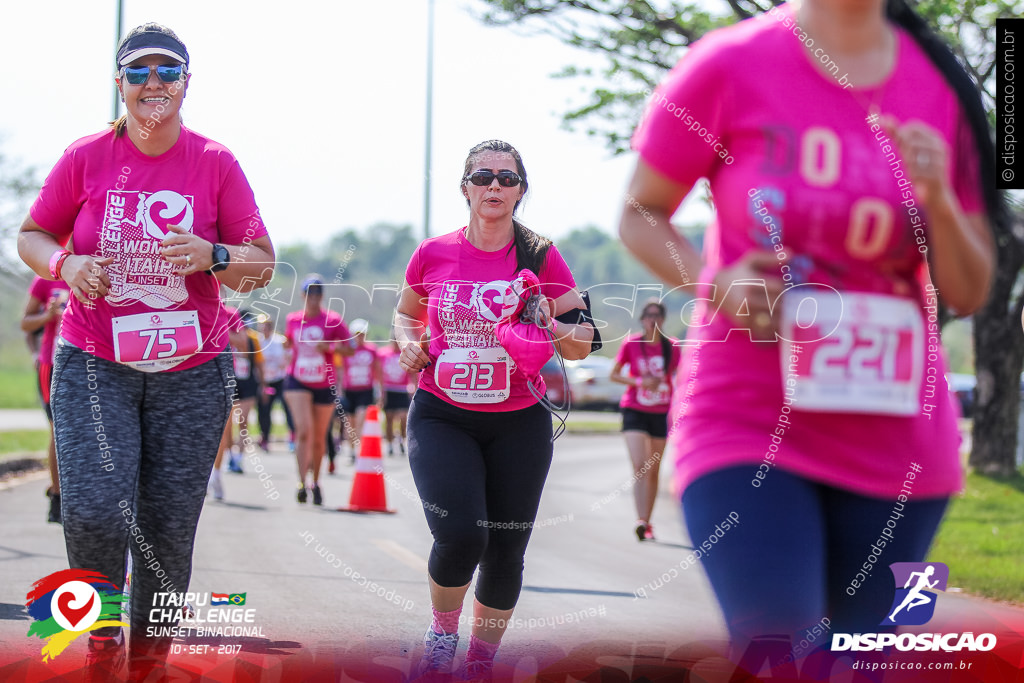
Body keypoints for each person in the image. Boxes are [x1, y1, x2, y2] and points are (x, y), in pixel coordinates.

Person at [618, 0, 1000, 668]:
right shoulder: (729, 64)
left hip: (902, 443)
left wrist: (937, 197)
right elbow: (639, 211)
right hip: (746, 417)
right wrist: (716, 285)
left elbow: (968, 290)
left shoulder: (941, 86)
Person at [16, 23, 275, 679]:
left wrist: (213, 255)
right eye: (140, 72)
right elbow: (33, 234)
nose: (154, 84)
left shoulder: (214, 162)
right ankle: (98, 641)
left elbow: (260, 264)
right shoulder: (86, 155)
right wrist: (67, 265)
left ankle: (148, 663)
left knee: (165, 530)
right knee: (92, 507)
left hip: (191, 370)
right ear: (120, 82)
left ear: (187, 82)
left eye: (168, 72)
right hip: (95, 358)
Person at [395, 140, 598, 679]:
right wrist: (406, 344)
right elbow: (403, 314)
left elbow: (585, 341)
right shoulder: (432, 253)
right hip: (443, 413)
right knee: (462, 535)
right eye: (482, 176)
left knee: (507, 548)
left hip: (518, 419)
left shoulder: (541, 255)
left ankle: (481, 662)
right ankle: (441, 636)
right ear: (465, 187)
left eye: (506, 179)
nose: (494, 186)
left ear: (521, 191)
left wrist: (546, 320)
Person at [609, 299, 680, 542]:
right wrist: (640, 382)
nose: (653, 320)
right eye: (649, 315)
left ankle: (647, 523)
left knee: (653, 469)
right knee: (640, 465)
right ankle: (639, 519)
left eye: (657, 315)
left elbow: (683, 378)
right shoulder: (632, 344)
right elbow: (614, 375)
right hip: (635, 409)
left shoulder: (672, 347)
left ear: (663, 319)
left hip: (661, 411)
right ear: (642, 319)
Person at [283, 275, 352, 505]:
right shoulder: (292, 319)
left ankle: (316, 481)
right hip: (297, 380)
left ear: (321, 296)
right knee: (304, 430)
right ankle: (301, 482)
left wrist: (330, 347)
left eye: (317, 294)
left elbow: (350, 348)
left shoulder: (332, 319)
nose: (313, 298)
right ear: (303, 295)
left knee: (319, 436)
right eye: (309, 294)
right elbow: (289, 343)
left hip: (325, 381)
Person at [20, 275, 71, 523]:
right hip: (53, 363)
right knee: (58, 430)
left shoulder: (101, 267)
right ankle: (57, 497)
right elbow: (25, 323)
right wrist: (47, 316)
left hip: (94, 362)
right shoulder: (46, 279)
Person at [209, 305, 264, 500]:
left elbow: (243, 343)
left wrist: (215, 330)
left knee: (235, 425)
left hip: (238, 378)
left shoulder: (229, 313)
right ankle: (210, 474)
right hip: (203, 376)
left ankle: (226, 467)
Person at [257, 315, 295, 451]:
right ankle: (265, 438)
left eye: (267, 326)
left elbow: (290, 353)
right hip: (265, 381)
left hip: (280, 380)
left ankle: (292, 436)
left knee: (287, 408)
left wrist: (285, 365)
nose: (264, 328)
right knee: (264, 410)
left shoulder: (279, 341)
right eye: (262, 326)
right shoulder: (258, 341)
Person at [341, 318, 378, 450]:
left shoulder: (371, 350)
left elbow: (377, 369)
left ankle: (360, 449)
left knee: (361, 418)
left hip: (365, 390)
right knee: (351, 423)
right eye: (357, 334)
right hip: (349, 390)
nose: (359, 337)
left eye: (362, 334)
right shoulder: (347, 351)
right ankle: (351, 449)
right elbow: (340, 370)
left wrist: (380, 390)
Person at [378, 335, 415, 456]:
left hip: (402, 390)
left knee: (404, 417)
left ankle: (402, 440)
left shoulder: (405, 352)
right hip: (389, 389)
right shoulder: (383, 354)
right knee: (389, 418)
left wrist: (413, 386)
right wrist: (381, 391)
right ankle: (389, 444)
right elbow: (379, 372)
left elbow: (412, 371)